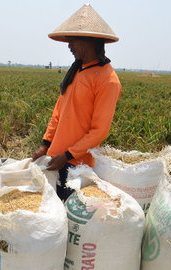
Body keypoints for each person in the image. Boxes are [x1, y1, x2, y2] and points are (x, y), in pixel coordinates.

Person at [31, 4, 122, 200]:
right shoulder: (77, 71)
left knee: (68, 214)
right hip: (56, 158)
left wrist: (67, 155)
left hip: (76, 165)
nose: (69, 46)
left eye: (72, 41)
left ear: (89, 40)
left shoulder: (107, 80)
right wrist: (45, 145)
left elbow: (99, 131)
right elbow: (58, 112)